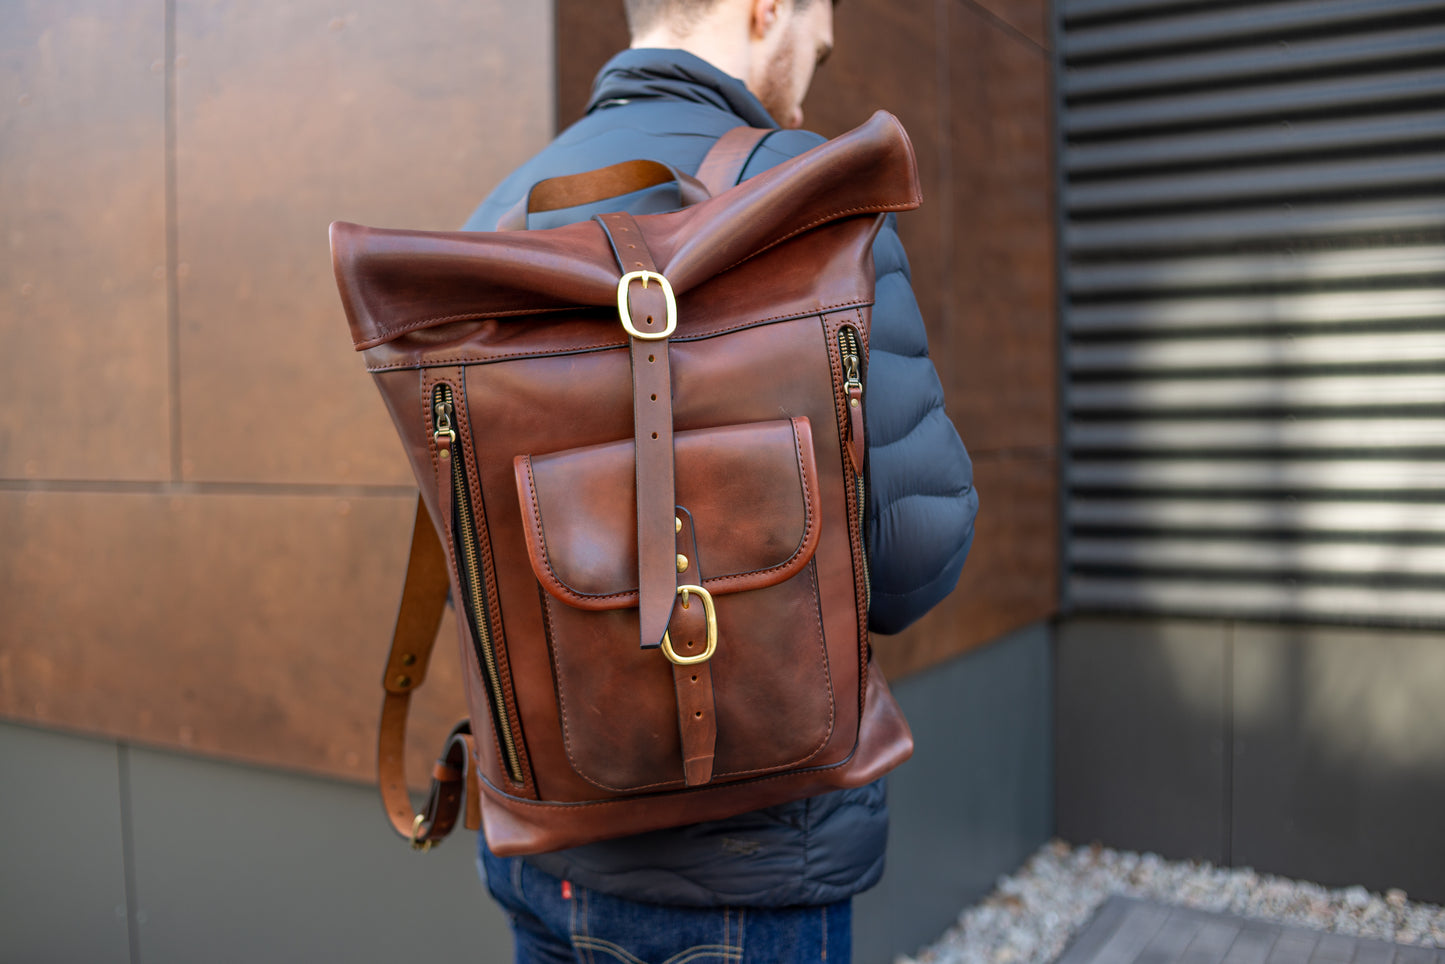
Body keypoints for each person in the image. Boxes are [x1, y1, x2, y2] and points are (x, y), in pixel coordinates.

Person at [462, 1, 978, 960]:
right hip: (749, 866)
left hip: (539, 842)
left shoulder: (495, 219)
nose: (812, 66)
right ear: (764, 9)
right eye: (813, 43)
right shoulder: (804, 192)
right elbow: (913, 560)